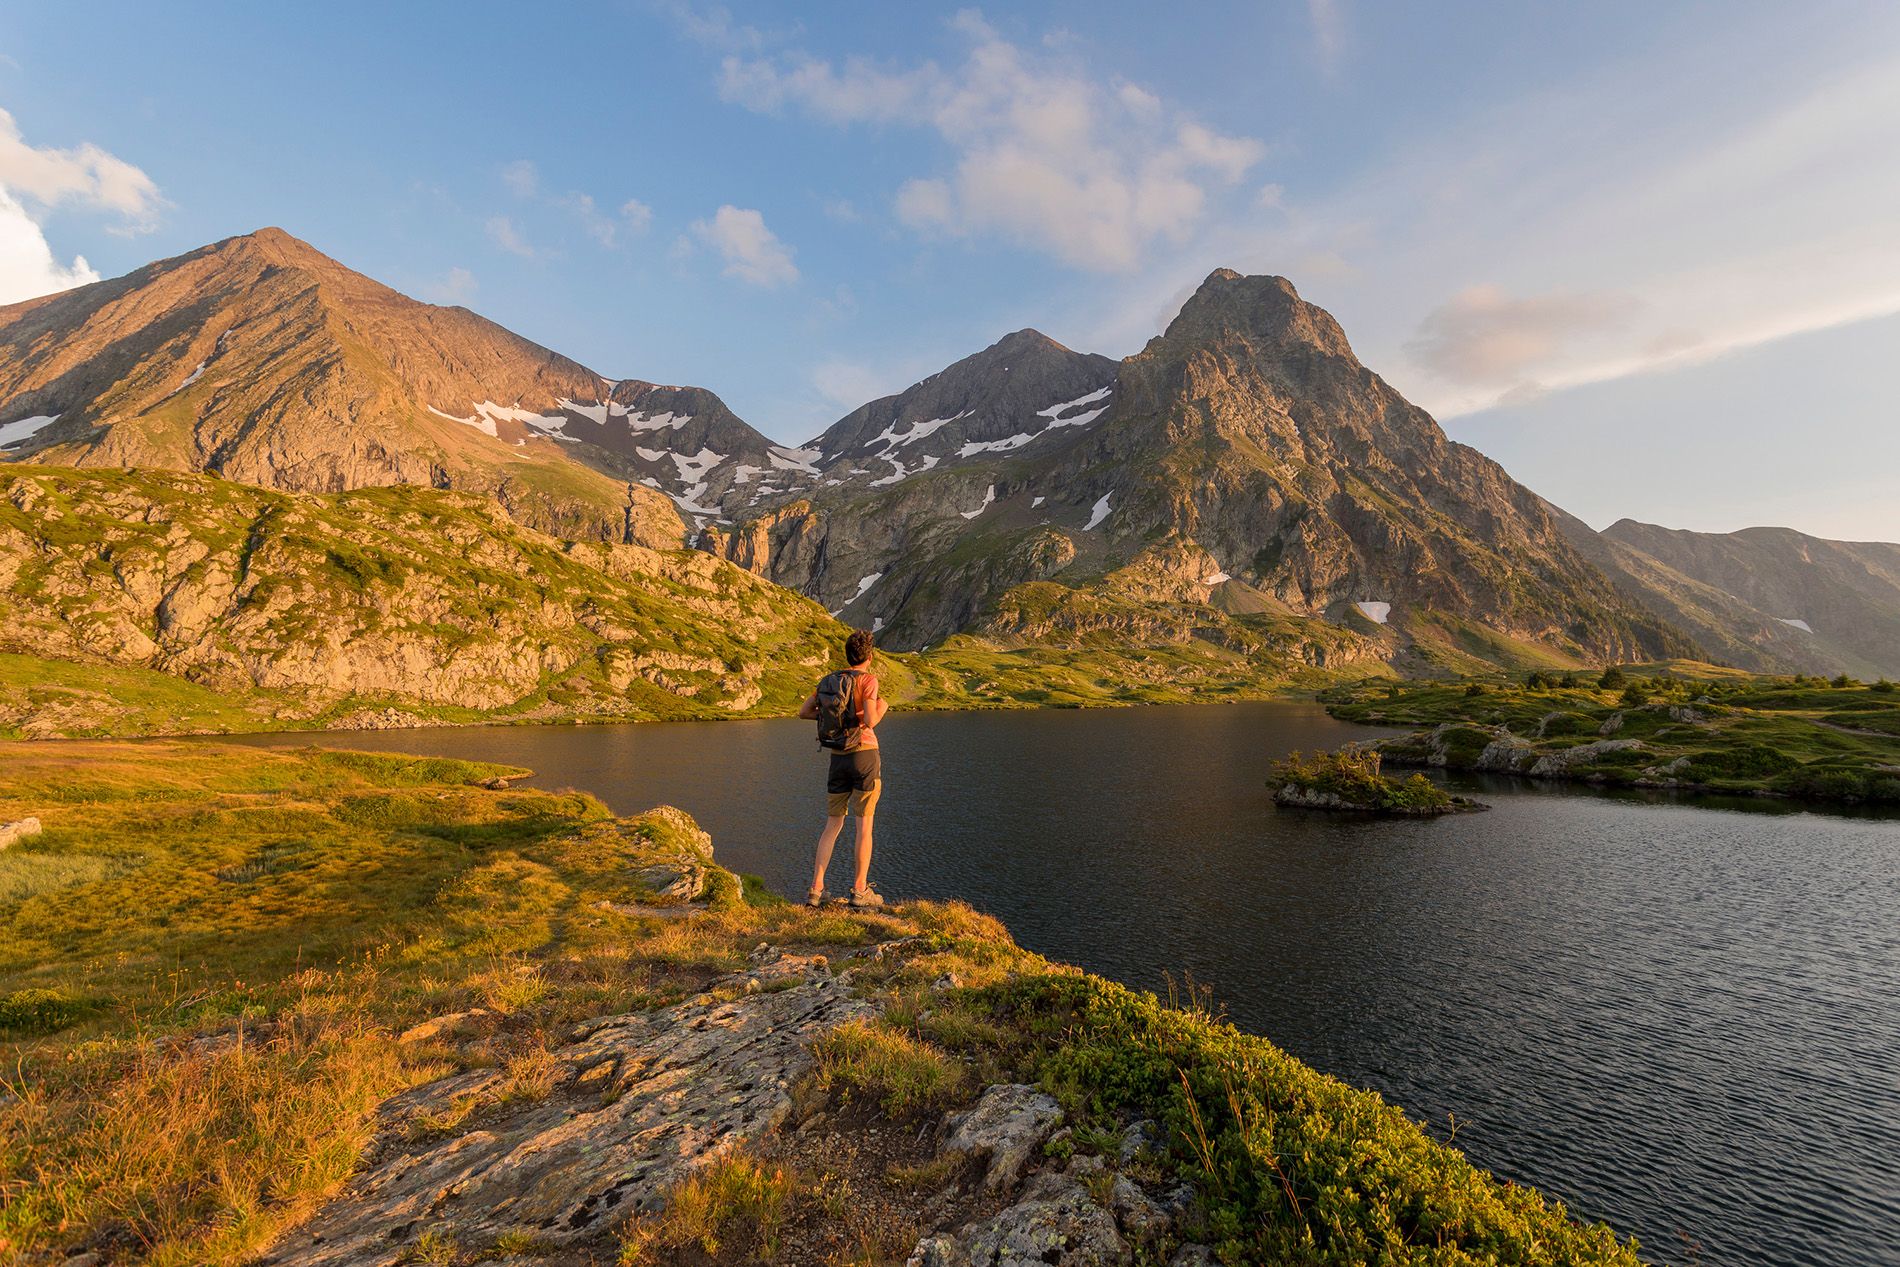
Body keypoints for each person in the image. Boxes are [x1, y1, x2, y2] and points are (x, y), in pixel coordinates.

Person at [799, 628, 887, 909]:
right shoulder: (869, 681)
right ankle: (860, 891)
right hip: (864, 757)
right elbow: (871, 720)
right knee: (864, 827)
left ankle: (816, 889)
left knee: (832, 825)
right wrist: (883, 706)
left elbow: (804, 712)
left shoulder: (828, 680)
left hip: (837, 758)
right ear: (869, 657)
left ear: (847, 655)